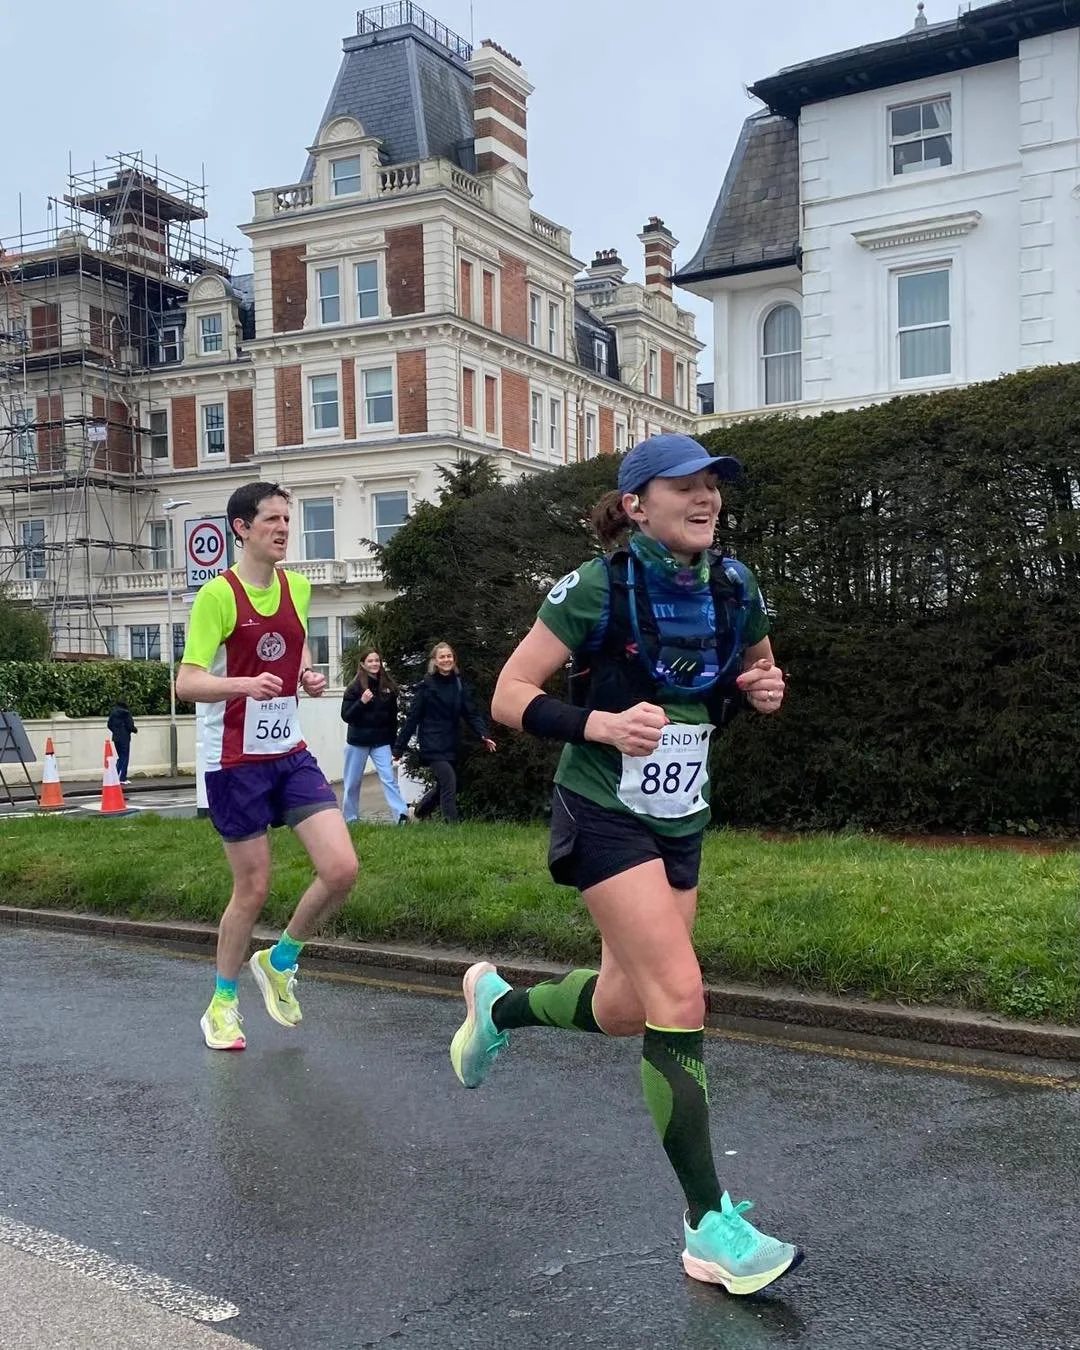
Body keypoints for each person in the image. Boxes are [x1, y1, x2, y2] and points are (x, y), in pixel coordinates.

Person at [451, 434, 802, 1295]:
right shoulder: (595, 587)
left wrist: (763, 689)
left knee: (620, 1007)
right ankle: (706, 1222)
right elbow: (508, 693)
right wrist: (598, 725)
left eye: (714, 484)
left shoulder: (735, 585)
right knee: (679, 996)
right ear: (638, 503)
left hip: (681, 815)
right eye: (685, 485)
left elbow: (755, 669)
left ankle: (501, 1008)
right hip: (600, 811)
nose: (707, 497)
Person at [175, 481, 358, 1052]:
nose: (284, 528)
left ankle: (280, 961)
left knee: (342, 869)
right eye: (272, 520)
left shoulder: (296, 588)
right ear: (241, 529)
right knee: (252, 888)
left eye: (288, 519)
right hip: (234, 761)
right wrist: (243, 686)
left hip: (287, 753)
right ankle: (222, 1003)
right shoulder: (218, 597)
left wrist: (307, 673)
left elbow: (294, 642)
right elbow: (186, 682)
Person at [391, 642, 495, 823]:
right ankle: (451, 826)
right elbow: (412, 719)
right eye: (442, 657)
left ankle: (419, 812)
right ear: (435, 661)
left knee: (445, 784)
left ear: (454, 660)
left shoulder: (459, 685)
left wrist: (483, 735)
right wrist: (398, 749)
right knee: (448, 781)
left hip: (451, 742)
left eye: (449, 656)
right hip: (432, 743)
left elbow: (471, 713)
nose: (446, 660)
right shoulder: (426, 687)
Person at [340, 649, 408, 824]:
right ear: (363, 664)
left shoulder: (388, 686)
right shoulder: (354, 687)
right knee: (352, 782)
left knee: (389, 779)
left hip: (381, 742)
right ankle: (351, 818)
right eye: (370, 661)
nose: (374, 664)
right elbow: (347, 716)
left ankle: (401, 815)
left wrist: (394, 745)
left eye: (377, 660)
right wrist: (361, 702)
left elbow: (393, 718)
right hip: (357, 742)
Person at [106, 701, 137, 784]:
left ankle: (116, 775)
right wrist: (135, 730)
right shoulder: (126, 713)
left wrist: (115, 731)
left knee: (121, 756)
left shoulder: (113, 713)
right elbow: (130, 725)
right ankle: (121, 777)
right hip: (125, 737)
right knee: (125, 757)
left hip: (116, 738)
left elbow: (109, 724)